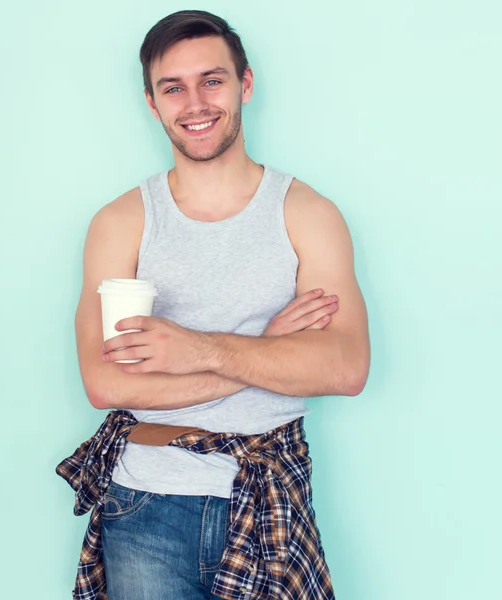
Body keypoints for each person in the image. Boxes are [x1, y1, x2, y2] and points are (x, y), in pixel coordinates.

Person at [66, 9, 370, 600]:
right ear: (152, 104)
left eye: (212, 80)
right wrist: (268, 352)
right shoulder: (120, 223)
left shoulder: (307, 214)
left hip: (269, 495)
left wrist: (196, 349)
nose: (196, 103)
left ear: (245, 84)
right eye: (172, 87)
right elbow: (106, 385)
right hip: (145, 504)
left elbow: (346, 368)